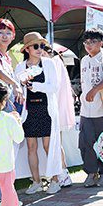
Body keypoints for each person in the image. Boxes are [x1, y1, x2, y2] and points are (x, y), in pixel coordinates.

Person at [14, 32, 64, 195]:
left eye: (42, 46)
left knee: (49, 145)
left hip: (46, 110)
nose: (39, 49)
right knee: (31, 146)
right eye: (36, 46)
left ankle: (55, 179)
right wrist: (22, 86)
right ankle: (36, 181)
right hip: (29, 111)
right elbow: (17, 90)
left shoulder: (49, 64)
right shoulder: (21, 67)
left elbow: (54, 87)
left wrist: (35, 86)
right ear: (27, 49)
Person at [79, 30, 103, 187]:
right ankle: (91, 173)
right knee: (85, 143)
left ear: (101, 43)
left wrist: (95, 89)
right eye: (86, 42)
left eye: (92, 41)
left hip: (102, 109)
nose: (89, 45)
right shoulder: (83, 60)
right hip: (85, 110)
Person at [41, 44, 75, 187]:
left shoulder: (54, 62)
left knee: (56, 143)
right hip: (52, 107)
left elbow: (56, 87)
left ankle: (63, 173)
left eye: (42, 52)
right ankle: (62, 172)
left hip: (55, 107)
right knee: (55, 143)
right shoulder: (54, 62)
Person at [0, 19, 23, 112]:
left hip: (8, 103)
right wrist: (15, 84)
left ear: (13, 36)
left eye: (8, 33)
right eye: (1, 32)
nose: (5, 36)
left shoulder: (6, 57)